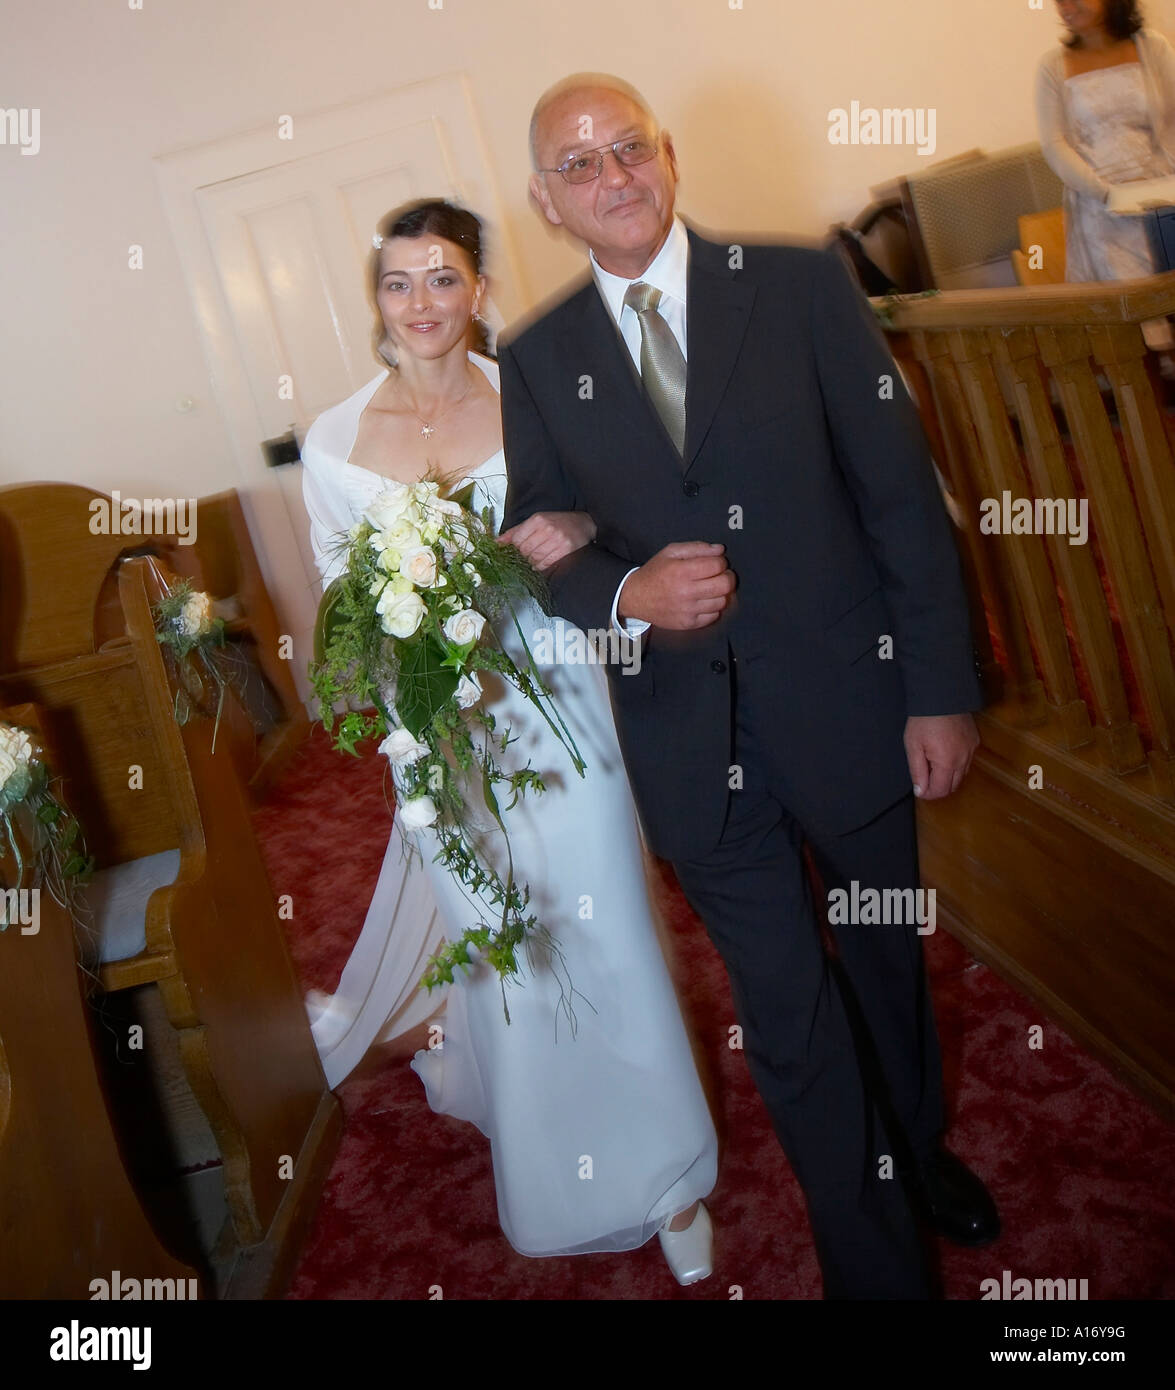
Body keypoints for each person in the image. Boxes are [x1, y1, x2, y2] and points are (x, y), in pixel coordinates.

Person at [498, 74, 999, 1299]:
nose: (611, 176)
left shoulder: (795, 285)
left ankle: (919, 1143)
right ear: (543, 199)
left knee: (883, 962)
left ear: (666, 155)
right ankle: (877, 1269)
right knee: (788, 1014)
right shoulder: (535, 354)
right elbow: (538, 541)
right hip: (687, 743)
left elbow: (899, 497)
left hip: (854, 700)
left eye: (628, 147)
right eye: (578, 164)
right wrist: (624, 594)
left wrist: (938, 688)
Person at [299, 198, 718, 1283]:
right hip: (436, 716)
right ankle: (555, 1171)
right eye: (399, 283)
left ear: (477, 288)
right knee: (506, 933)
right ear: (376, 300)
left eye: (443, 278)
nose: (422, 302)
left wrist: (577, 527)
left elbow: (610, 509)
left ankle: (668, 1174)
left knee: (604, 914)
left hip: (553, 687)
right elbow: (341, 592)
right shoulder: (333, 440)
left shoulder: (530, 394)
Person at [1037, 1, 1175, 281]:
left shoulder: (1153, 47)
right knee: (1137, 312)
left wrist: (1161, 183)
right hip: (1101, 209)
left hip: (1163, 198)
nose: (1066, 7)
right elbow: (1054, 144)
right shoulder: (1052, 65)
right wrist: (1107, 194)